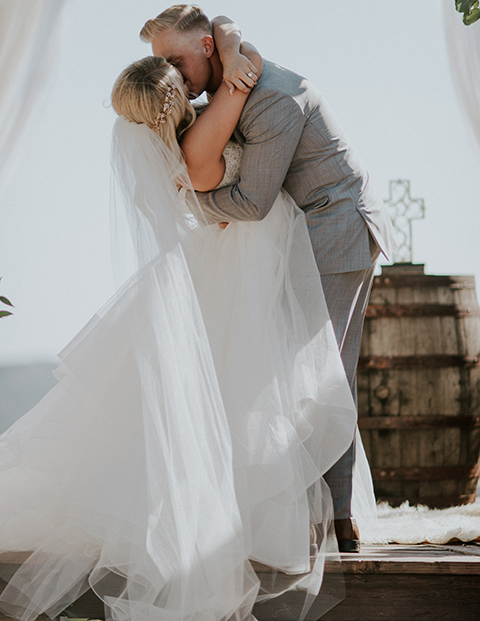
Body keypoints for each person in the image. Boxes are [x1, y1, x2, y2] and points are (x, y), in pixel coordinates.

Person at [0, 47, 359, 621]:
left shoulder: (166, 148)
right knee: (255, 385)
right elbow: (245, 190)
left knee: (234, 385)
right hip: (247, 257)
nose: (196, 89)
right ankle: (261, 517)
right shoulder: (199, 147)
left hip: (227, 259)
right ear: (175, 99)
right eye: (184, 85)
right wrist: (238, 69)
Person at [139, 4, 397, 552]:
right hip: (303, 237)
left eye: (175, 59)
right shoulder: (229, 81)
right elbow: (225, 18)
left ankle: (338, 519)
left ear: (205, 48)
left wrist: (190, 201)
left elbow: (252, 203)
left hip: (336, 230)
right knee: (290, 371)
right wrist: (231, 43)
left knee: (324, 375)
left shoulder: (272, 98)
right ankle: (310, 514)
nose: (172, 73)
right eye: (160, 61)